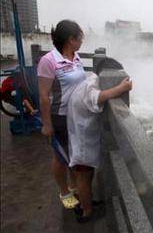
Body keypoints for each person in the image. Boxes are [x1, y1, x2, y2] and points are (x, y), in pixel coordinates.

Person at [67, 73, 132, 223]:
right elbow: (97, 97)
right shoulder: (90, 85)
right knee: (83, 176)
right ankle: (87, 212)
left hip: (80, 137)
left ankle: (86, 202)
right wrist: (122, 87)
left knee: (87, 174)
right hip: (82, 142)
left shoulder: (85, 83)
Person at [38, 20, 85, 209]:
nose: (82, 41)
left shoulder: (76, 56)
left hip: (77, 116)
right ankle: (64, 191)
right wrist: (47, 124)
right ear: (70, 40)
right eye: (79, 37)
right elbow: (43, 95)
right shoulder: (49, 61)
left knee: (73, 154)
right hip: (60, 116)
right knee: (60, 156)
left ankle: (74, 186)